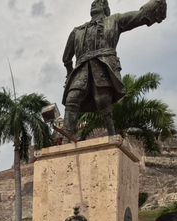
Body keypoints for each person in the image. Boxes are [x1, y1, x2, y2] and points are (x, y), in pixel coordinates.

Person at [61, 0, 167, 136]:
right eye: (93, 3)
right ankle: (65, 139)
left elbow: (138, 16)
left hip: (103, 66)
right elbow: (66, 58)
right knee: (72, 99)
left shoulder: (115, 20)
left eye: (99, 2)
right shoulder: (77, 31)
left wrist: (155, 5)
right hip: (82, 69)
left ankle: (112, 134)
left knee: (103, 100)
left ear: (106, 8)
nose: (94, 4)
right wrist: (70, 74)